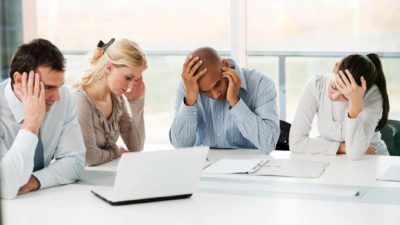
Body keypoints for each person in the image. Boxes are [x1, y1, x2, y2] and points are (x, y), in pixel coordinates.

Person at [0, 39, 85, 199]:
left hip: (43, 201)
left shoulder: (63, 96)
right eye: (49, 87)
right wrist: (31, 123)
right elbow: (6, 188)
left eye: (59, 86)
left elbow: (75, 161)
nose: (57, 97)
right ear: (19, 81)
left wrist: (35, 181)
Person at [169, 47, 280, 153]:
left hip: (249, 166)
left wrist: (235, 102)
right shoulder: (190, 87)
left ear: (226, 65)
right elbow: (180, 146)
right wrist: (190, 99)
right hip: (204, 167)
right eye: (205, 92)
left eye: (217, 84)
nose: (216, 95)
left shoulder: (261, 84)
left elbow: (268, 144)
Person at [289, 54, 390, 160]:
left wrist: (355, 104)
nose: (334, 96)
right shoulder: (317, 84)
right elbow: (296, 142)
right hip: (333, 158)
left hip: (370, 158)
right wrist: (344, 147)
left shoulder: (372, 98)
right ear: (335, 67)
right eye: (334, 86)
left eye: (345, 96)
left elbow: (355, 154)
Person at [72, 38, 147, 166]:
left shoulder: (117, 99)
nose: (130, 86)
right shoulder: (80, 100)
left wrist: (136, 103)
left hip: (103, 174)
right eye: (128, 77)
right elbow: (89, 157)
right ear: (109, 67)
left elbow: (136, 147)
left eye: (135, 79)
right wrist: (116, 152)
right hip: (79, 179)